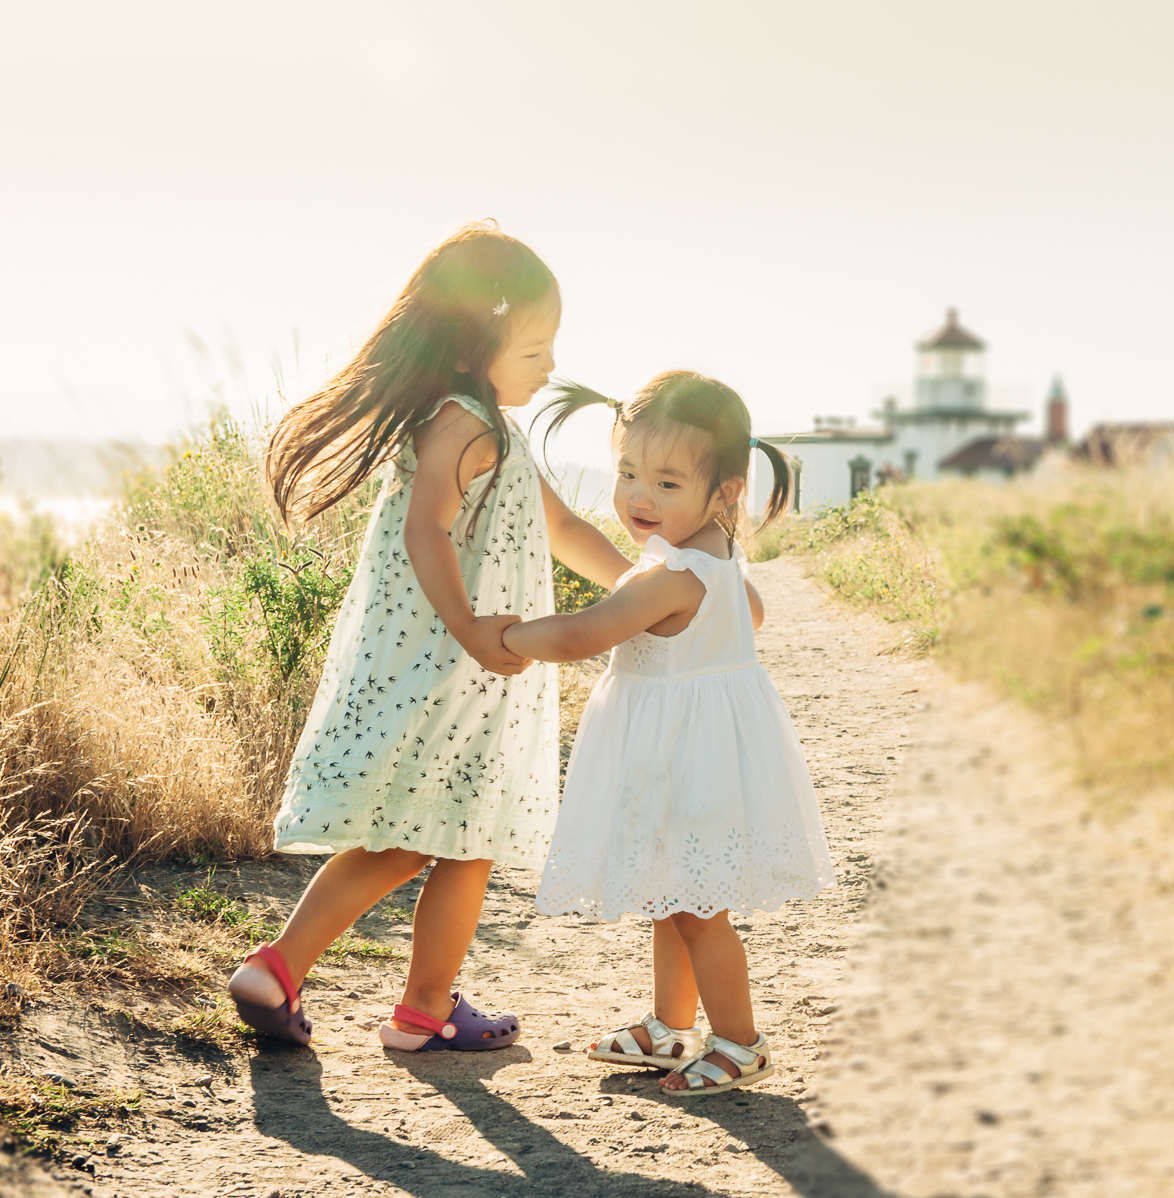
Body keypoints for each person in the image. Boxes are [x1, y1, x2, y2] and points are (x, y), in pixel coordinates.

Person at [228, 222, 646, 1052]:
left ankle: (413, 1004)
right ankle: (296, 970)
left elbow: (560, 525)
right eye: (535, 348)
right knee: (420, 839)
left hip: (458, 669)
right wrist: (469, 627)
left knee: (454, 838)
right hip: (453, 665)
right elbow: (427, 531)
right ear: (470, 345)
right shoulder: (466, 423)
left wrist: (643, 588)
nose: (551, 365)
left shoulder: (481, 423)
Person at [504, 372, 834, 1096]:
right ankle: (666, 1027)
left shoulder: (672, 574)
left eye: (667, 482)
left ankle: (741, 1042)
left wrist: (499, 634)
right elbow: (749, 612)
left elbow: (583, 634)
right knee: (670, 891)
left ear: (725, 493)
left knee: (695, 910)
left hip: (683, 757)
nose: (639, 497)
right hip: (693, 750)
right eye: (627, 472)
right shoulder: (710, 557)